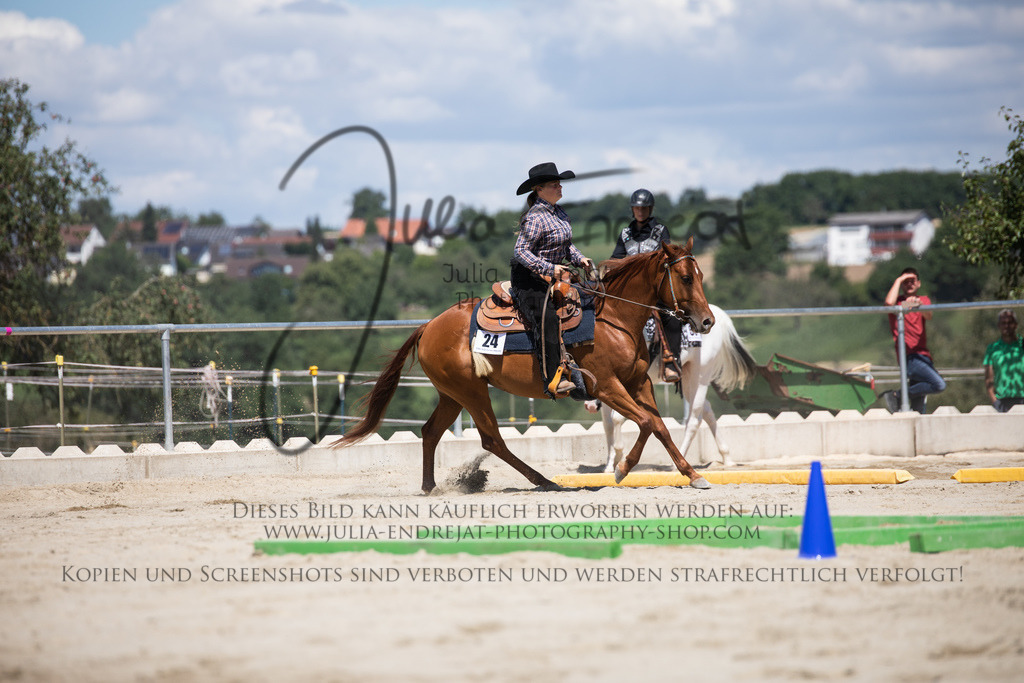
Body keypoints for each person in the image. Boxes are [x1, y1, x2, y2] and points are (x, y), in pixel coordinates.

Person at [511, 162, 594, 397]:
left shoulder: (559, 212)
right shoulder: (535, 217)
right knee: (547, 318)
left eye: (559, 183)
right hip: (529, 279)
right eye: (554, 184)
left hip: (556, 275)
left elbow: (566, 246)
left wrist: (580, 259)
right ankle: (553, 378)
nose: (560, 187)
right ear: (539, 189)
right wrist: (549, 268)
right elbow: (521, 252)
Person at [610, 188, 686, 382]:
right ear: (632, 209)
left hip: (655, 290)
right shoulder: (625, 233)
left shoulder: (660, 231)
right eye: (637, 208)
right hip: (629, 292)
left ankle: (671, 361)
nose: (640, 212)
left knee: (671, 316)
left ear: (650, 209)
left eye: (644, 208)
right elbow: (616, 257)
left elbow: (666, 255)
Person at [881, 267, 946, 413]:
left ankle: (901, 398)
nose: (909, 284)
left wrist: (918, 304)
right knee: (939, 384)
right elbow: (888, 304)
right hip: (909, 357)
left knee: (918, 410)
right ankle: (897, 395)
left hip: (924, 356)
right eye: (906, 282)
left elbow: (928, 315)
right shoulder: (898, 304)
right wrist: (898, 280)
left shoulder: (923, 300)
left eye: (912, 281)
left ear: (919, 284)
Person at [983, 309, 1024, 412]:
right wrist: (995, 401)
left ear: (1015, 325)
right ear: (999, 326)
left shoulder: (1022, 345)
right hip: (1002, 401)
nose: (1007, 326)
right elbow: (989, 379)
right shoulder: (992, 348)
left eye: (1010, 323)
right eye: (1003, 323)